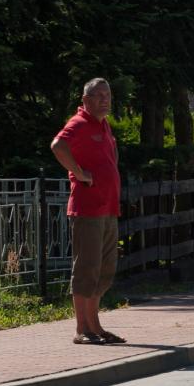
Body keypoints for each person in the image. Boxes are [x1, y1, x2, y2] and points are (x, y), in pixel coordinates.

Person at [51, 77, 126, 345]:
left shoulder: (103, 124)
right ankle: (82, 329)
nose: (105, 100)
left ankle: (96, 327)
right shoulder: (79, 122)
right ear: (86, 100)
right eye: (99, 95)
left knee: (104, 270)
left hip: (108, 208)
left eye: (108, 95)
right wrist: (79, 173)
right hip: (87, 209)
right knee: (87, 268)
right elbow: (57, 145)